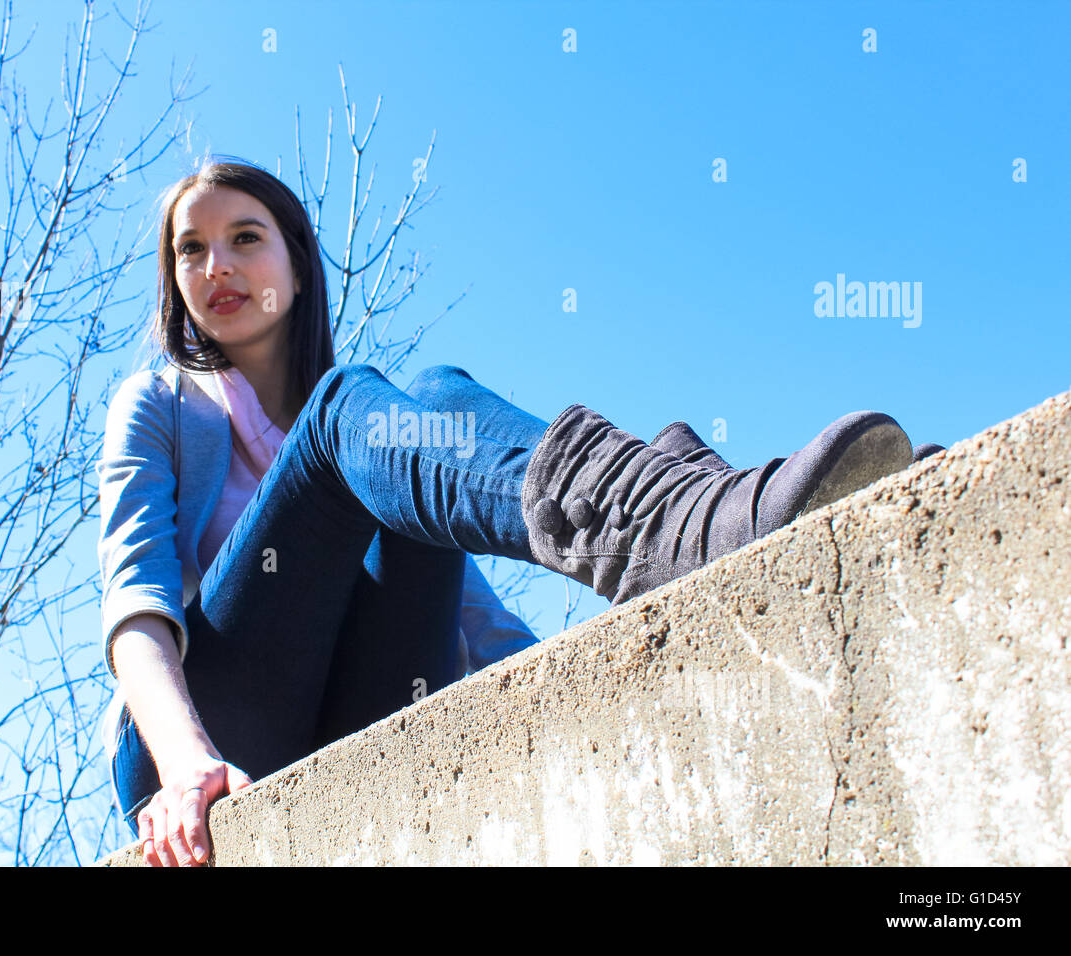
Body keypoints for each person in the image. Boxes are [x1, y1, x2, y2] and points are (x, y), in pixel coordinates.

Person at [97, 158, 941, 867]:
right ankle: (671, 513)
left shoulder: (372, 443)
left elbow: (481, 625)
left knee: (418, 401)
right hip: (205, 732)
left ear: (296, 262)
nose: (217, 266)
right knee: (354, 405)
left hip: (349, 710)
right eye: (191, 249)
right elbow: (136, 602)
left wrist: (606, 679)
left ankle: (666, 518)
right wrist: (183, 764)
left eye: (244, 238)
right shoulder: (163, 405)